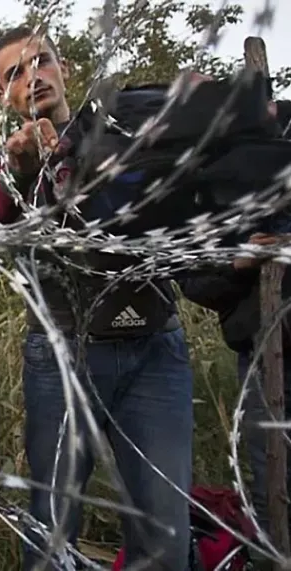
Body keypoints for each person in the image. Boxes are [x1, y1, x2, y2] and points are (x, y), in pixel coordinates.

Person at [0, 26, 195, 569]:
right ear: (6, 96)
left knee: (164, 532)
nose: (32, 77)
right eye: (14, 73)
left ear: (61, 67)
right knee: (51, 531)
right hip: (61, 354)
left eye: (40, 62)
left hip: (153, 346)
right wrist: (21, 174)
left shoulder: (118, 129)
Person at [178, 98, 291, 570]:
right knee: (274, 495)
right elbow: (192, 278)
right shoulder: (202, 187)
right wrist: (240, 259)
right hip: (264, 360)